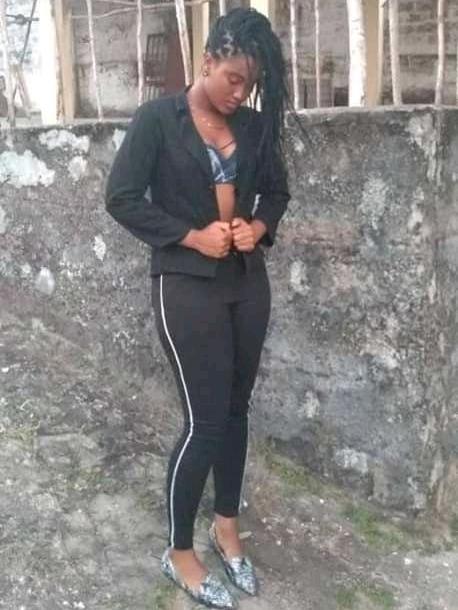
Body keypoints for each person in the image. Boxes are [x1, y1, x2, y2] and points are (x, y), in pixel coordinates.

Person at [105, 7, 292, 608]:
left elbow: (277, 192)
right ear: (207, 61)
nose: (240, 93)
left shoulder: (255, 127)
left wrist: (256, 227)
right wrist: (191, 237)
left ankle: (226, 527)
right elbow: (121, 198)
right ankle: (180, 550)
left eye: (249, 84)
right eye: (232, 78)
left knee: (237, 411)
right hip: (185, 286)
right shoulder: (157, 120)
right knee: (205, 421)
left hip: (247, 283)